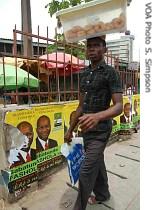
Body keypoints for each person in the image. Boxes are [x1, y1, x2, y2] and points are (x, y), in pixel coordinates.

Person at [64, 36, 123, 210]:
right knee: (97, 162)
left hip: (101, 131)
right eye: (89, 46)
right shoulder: (84, 74)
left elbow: (119, 106)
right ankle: (103, 194)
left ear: (104, 49)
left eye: (96, 45)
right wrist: (70, 129)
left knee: (86, 171)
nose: (91, 49)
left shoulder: (110, 72)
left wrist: (97, 117)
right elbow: (81, 106)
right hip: (86, 131)